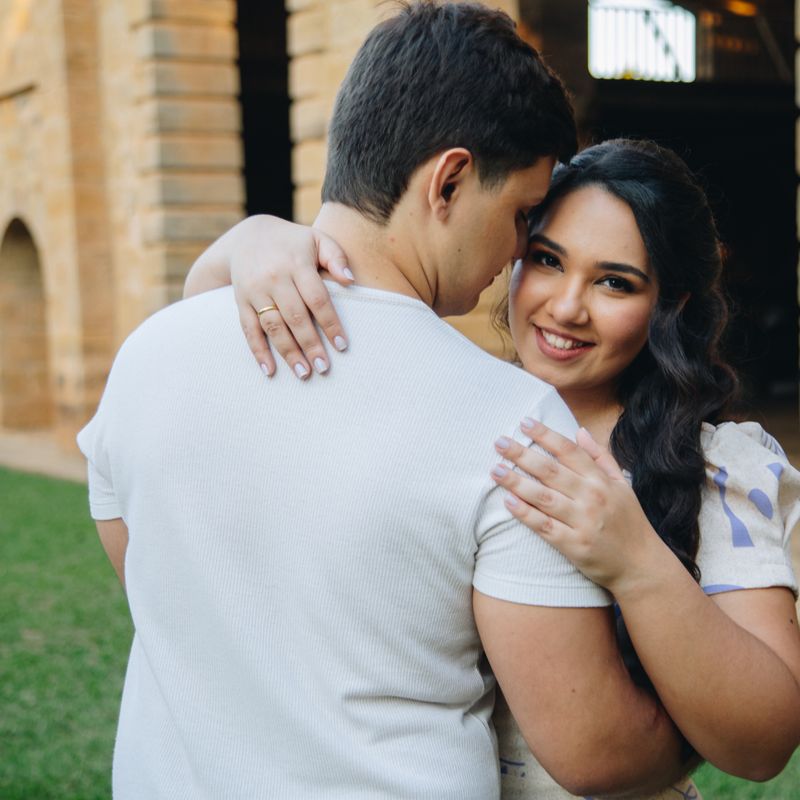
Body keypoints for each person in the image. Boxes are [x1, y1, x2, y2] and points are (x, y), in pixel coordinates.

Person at [77, 5, 687, 799]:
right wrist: (709, 731)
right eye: (521, 214)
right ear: (451, 181)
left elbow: (146, 578)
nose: (515, 253)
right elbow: (593, 751)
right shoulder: (509, 420)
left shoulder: (149, 354)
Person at [186, 138, 800, 799]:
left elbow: (763, 745)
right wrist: (252, 240)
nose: (566, 307)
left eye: (614, 281)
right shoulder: (447, 409)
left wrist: (636, 561)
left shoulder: (713, 467)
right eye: (546, 261)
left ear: (669, 304)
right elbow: (204, 337)